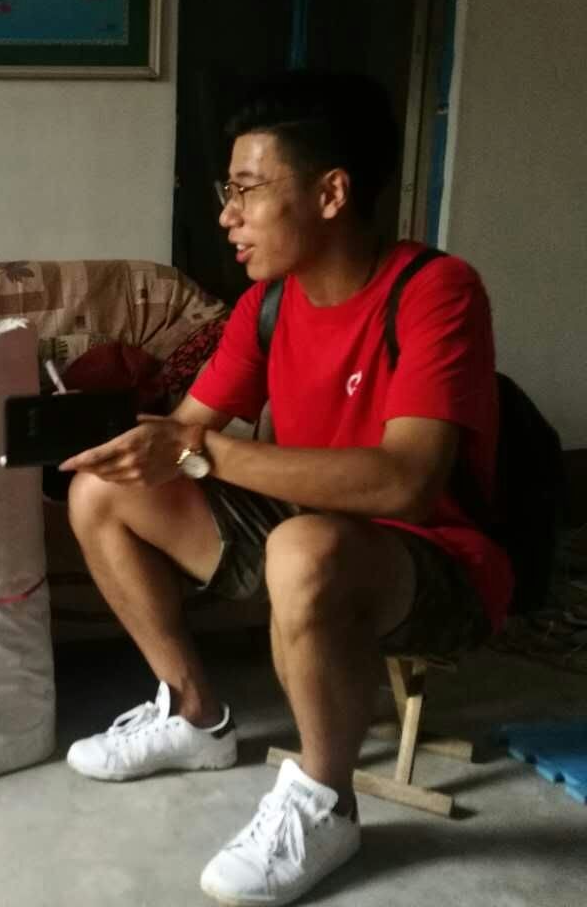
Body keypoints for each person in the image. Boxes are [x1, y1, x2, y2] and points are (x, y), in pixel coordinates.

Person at [59, 72, 510, 906]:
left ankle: (325, 801)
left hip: (438, 562)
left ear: (332, 193)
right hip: (306, 536)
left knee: (303, 547)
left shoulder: (435, 292)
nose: (226, 216)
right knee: (101, 493)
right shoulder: (266, 306)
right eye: (226, 193)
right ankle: (193, 715)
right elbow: (183, 436)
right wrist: (126, 450)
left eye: (248, 190)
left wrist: (200, 452)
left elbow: (407, 483)